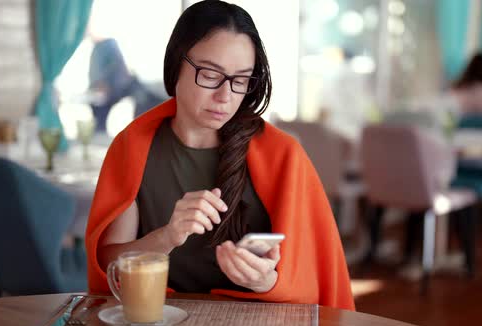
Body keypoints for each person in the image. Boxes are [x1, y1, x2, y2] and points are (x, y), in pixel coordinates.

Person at [85, 0, 354, 310]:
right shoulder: (132, 146)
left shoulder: (284, 156)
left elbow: (314, 282)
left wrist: (264, 281)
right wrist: (168, 236)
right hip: (157, 318)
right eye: (211, 75)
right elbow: (109, 264)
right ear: (176, 64)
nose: (225, 97)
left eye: (240, 81)